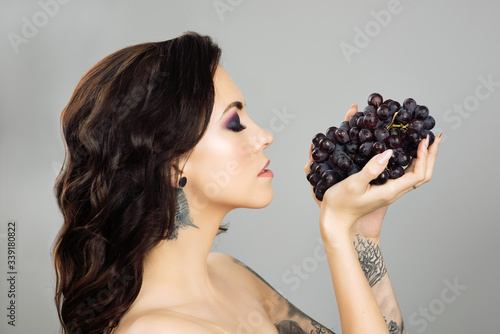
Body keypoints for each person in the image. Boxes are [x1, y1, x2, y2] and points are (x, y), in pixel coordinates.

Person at [52, 31, 441, 334]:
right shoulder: (157, 329)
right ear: (171, 165)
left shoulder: (229, 274)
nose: (265, 135)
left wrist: (361, 236)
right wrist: (334, 231)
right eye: (234, 123)